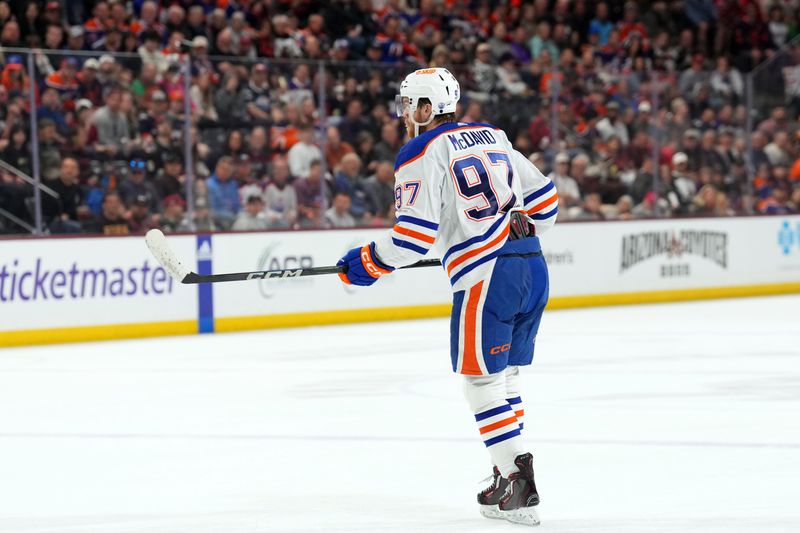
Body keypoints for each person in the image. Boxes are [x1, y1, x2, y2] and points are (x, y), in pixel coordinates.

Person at [336, 68, 557, 526]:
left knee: (480, 382)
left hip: (487, 275)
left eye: (408, 103)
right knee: (506, 374)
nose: (403, 113)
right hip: (532, 263)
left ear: (426, 108)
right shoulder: (493, 135)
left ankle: (517, 478)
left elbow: (414, 237)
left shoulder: (419, 149)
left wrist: (369, 262)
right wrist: (508, 231)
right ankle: (503, 473)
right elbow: (547, 203)